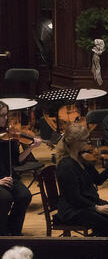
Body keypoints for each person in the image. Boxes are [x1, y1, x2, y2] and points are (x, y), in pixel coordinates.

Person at [55, 124, 108, 236]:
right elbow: (74, 197)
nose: (88, 143)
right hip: (72, 210)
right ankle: (103, 251)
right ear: (75, 142)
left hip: (89, 203)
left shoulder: (82, 159)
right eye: (85, 140)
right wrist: (96, 208)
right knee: (103, 222)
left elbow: (98, 180)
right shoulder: (65, 166)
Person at [0, 101, 38, 236]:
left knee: (24, 196)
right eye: (2, 116)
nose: (6, 119)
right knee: (5, 198)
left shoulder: (9, 136)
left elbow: (18, 161)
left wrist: (31, 147)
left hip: (8, 177)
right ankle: (2, 233)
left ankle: (14, 231)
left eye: (6, 115)